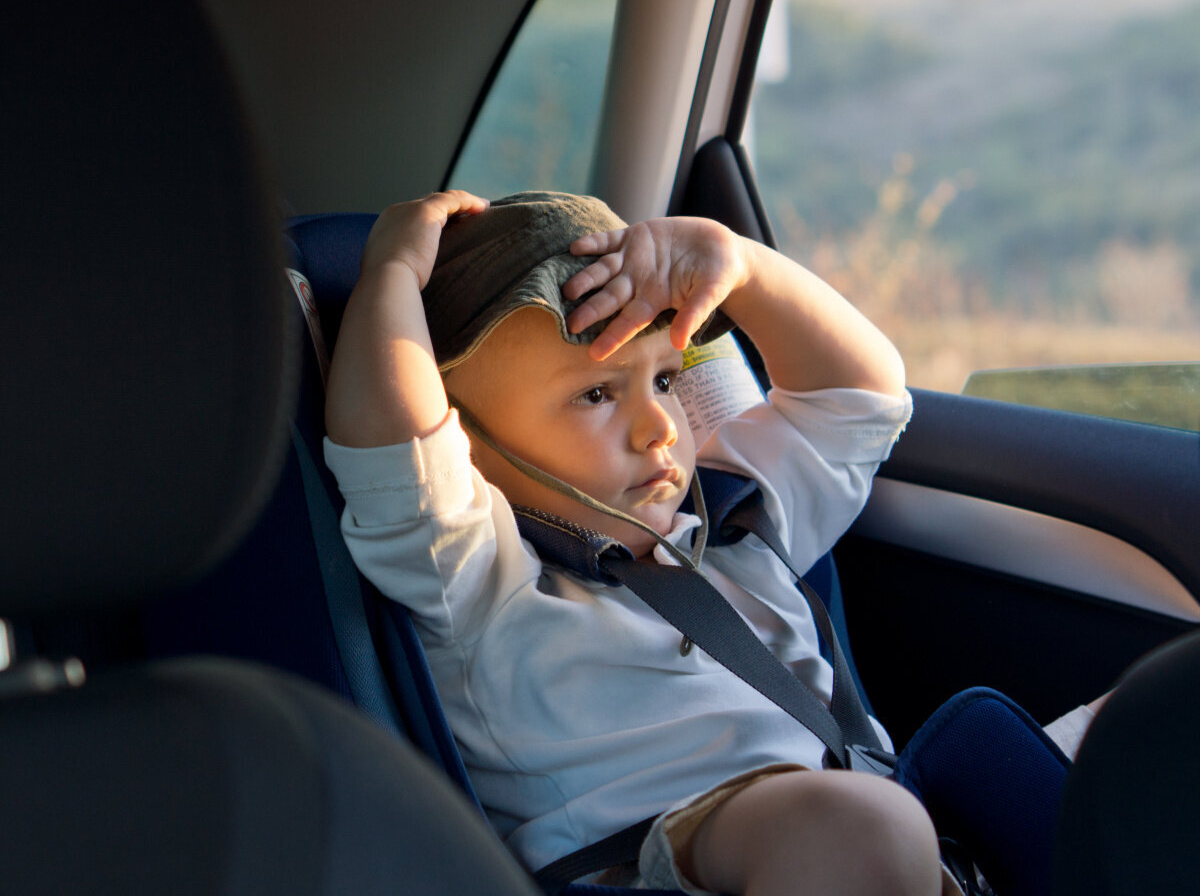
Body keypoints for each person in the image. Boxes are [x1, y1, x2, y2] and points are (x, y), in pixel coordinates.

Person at [322, 189, 1076, 895]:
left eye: (663, 380)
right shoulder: (484, 582)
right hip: (679, 856)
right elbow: (397, 447)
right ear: (467, 442)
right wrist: (391, 270)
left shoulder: (736, 525)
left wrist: (737, 263)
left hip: (893, 833)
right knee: (871, 825)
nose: (658, 427)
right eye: (595, 393)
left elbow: (865, 396)